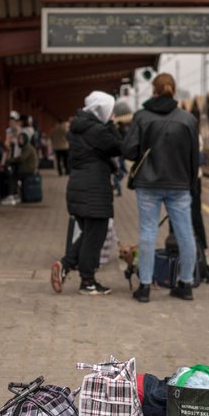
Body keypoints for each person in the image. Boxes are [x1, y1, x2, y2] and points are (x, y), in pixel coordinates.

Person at [122, 73, 199, 304]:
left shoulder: (142, 117)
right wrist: (190, 184)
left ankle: (144, 287)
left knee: (147, 233)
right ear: (173, 91)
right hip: (179, 185)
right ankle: (185, 284)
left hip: (148, 183)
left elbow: (128, 150)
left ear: (153, 92)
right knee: (185, 233)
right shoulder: (188, 120)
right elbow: (195, 157)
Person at [51, 91, 122, 295]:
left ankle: (64, 265)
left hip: (78, 188)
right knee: (95, 237)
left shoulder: (78, 128)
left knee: (87, 234)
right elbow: (118, 147)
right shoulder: (98, 130)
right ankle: (87, 281)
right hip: (94, 189)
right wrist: (111, 125)